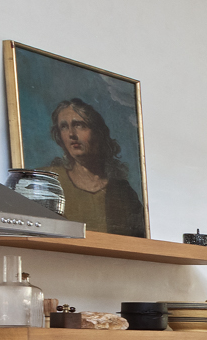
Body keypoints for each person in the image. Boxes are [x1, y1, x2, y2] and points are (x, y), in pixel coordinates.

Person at [38, 97, 146, 236]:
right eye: (64, 127)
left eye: (79, 125)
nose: (71, 134)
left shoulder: (123, 192)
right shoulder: (49, 182)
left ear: (98, 133)